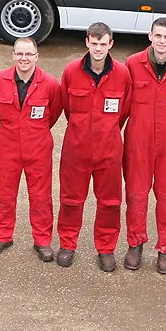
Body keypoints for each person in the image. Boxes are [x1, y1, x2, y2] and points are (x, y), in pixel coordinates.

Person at [56, 22, 133, 272]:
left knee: (110, 202)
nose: (98, 48)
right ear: (86, 42)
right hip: (76, 150)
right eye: (94, 43)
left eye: (103, 44)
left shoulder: (122, 74)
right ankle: (68, 244)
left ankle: (106, 248)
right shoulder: (71, 71)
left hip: (109, 151)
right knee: (70, 200)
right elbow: (67, 108)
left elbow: (124, 111)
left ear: (111, 44)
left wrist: (107, 132)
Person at [122, 17, 166, 274]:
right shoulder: (132, 63)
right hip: (138, 141)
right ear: (150, 36)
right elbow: (124, 103)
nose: (162, 41)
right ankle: (135, 243)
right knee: (136, 194)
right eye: (158, 36)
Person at [0, 36, 63, 260]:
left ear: (37, 57)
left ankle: (42, 241)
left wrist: (33, 131)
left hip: (38, 147)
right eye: (19, 54)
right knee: (4, 193)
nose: (24, 58)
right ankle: (3, 236)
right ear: (13, 56)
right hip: (8, 145)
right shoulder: (0, 80)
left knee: (41, 196)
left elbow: (55, 112)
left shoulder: (50, 84)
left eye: (29, 54)